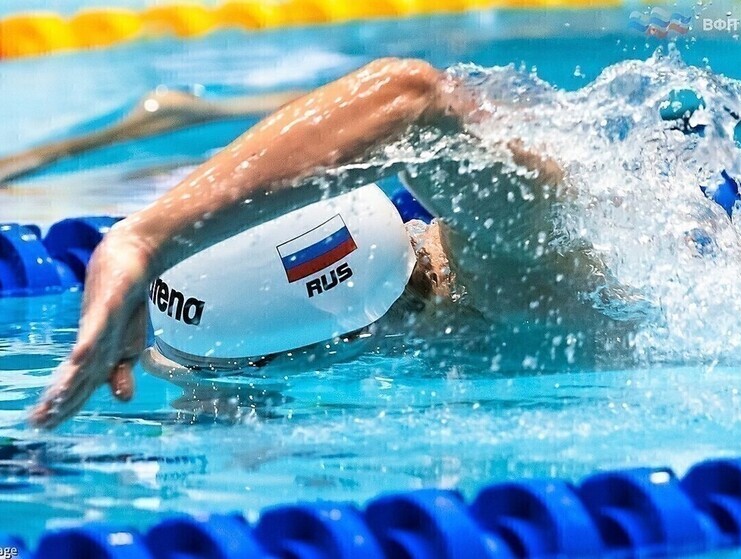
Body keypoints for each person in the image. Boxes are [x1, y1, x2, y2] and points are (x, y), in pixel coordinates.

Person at [29, 57, 599, 430]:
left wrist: (145, 240)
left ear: (343, 333)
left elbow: (417, 100)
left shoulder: (523, 272)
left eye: (250, 375)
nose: (200, 404)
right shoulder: (407, 311)